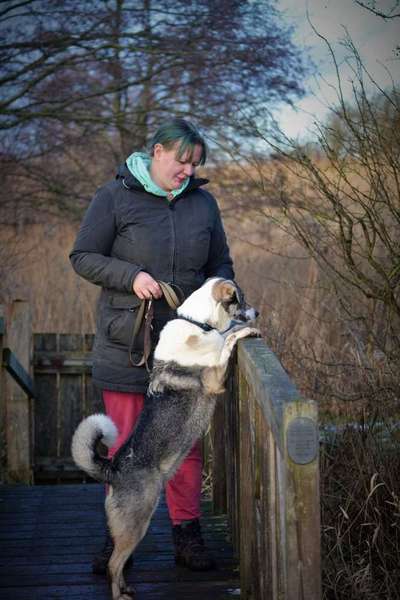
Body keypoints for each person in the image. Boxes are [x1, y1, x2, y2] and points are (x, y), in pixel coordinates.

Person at [70, 117, 234, 574]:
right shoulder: (113, 197)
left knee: (184, 445)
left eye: (195, 163)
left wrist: (223, 293)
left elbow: (221, 262)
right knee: (126, 451)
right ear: (157, 152)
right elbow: (82, 256)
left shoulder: (204, 205)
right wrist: (132, 277)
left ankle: (188, 535)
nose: (188, 171)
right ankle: (117, 539)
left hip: (186, 348)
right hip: (129, 344)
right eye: (182, 161)